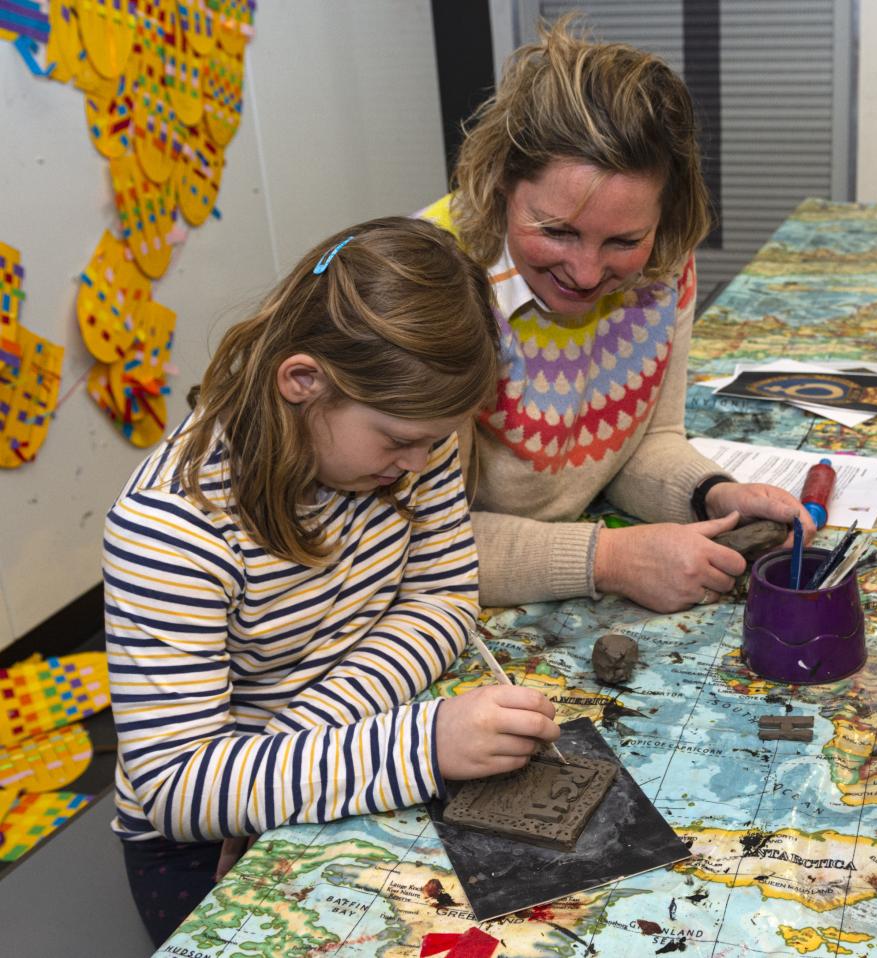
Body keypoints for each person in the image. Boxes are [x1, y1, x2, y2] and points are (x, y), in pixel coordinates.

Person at [103, 218, 562, 946]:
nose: (419, 464)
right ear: (303, 382)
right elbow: (177, 788)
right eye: (401, 442)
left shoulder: (408, 435)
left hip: (318, 767)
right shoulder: (171, 527)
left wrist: (307, 741)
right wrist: (420, 747)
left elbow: (444, 601)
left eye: (435, 443)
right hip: (195, 839)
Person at [418, 16, 812, 614]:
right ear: (499, 180)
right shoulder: (433, 293)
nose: (585, 272)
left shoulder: (662, 267)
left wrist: (714, 496)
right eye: (556, 231)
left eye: (624, 240)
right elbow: (418, 551)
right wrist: (610, 559)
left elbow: (637, 445)